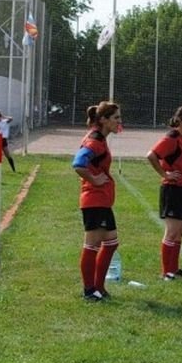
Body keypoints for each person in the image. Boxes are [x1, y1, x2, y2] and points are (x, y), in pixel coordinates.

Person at [72, 101, 122, 301]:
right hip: (94, 200)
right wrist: (93, 179)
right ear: (103, 120)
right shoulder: (95, 140)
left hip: (101, 200)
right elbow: (78, 163)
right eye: (116, 118)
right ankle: (89, 290)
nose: (120, 121)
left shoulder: (100, 138)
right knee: (92, 244)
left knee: (111, 243)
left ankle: (98, 287)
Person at [146, 105, 182, 280]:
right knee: (172, 231)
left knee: (180, 231)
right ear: (180, 120)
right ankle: (166, 271)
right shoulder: (172, 137)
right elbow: (151, 155)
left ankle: (174, 268)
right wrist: (165, 174)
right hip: (173, 190)